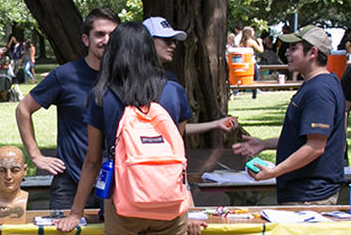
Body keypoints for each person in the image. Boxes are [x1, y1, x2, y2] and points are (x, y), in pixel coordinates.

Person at [57, 21, 196, 235]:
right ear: (149, 50)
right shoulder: (173, 92)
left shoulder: (103, 96)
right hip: (168, 206)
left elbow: (91, 162)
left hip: (123, 203)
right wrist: (190, 206)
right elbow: (179, 158)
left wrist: (75, 212)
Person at [16, 8, 119, 209]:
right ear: (85, 39)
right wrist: (35, 155)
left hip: (116, 183)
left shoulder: (126, 78)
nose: (106, 40)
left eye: (112, 35)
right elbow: (23, 109)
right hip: (71, 182)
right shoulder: (65, 75)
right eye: (99, 34)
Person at [233, 25, 345, 205]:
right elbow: (302, 138)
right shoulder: (318, 84)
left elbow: (315, 147)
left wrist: (275, 172)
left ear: (313, 53)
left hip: (310, 198)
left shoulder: (319, 91)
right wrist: (264, 144)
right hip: (303, 194)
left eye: (294, 49)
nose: (287, 53)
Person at [144, 17, 237, 136]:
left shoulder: (171, 81)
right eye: (167, 40)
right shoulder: (127, 80)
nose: (173, 45)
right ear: (146, 41)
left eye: (174, 41)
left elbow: (177, 129)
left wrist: (216, 124)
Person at [0, 146, 28, 224]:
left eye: (15, 170)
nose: (8, 176)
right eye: (2, 171)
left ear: (25, 170)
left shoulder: (25, 198)